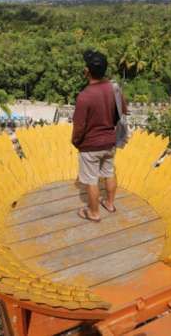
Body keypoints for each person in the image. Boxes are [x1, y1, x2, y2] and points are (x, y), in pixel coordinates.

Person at [72, 50, 127, 222]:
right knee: (109, 172)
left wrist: (76, 141)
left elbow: (79, 126)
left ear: (87, 71)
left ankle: (94, 213)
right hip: (110, 142)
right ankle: (109, 204)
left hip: (90, 146)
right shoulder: (114, 89)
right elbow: (123, 110)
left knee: (91, 180)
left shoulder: (84, 96)